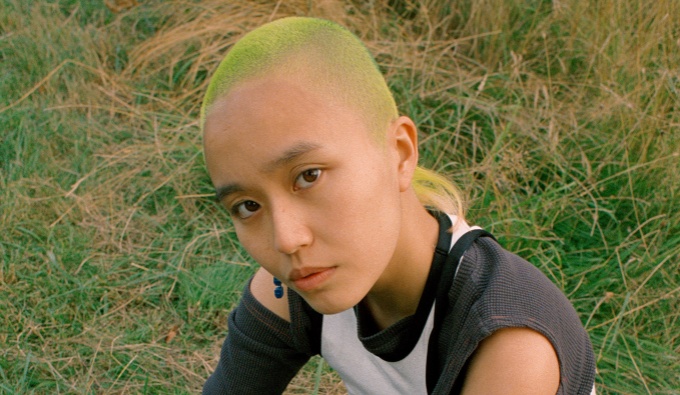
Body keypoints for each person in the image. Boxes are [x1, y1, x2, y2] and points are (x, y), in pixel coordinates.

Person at [200, 16, 596, 395]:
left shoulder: (508, 341)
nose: (286, 240)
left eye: (309, 176)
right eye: (248, 205)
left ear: (400, 153)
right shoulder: (293, 289)